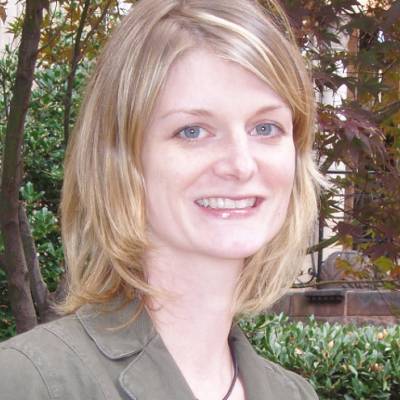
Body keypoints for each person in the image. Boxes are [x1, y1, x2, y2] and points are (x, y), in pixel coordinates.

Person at [0, 0, 322, 398]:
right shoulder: (30, 382)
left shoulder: (294, 394)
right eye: (193, 131)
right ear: (121, 159)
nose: (241, 164)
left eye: (266, 127)